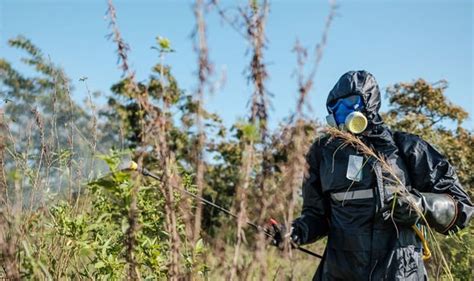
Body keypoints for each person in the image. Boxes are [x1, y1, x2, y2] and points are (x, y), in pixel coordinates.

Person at [272, 70, 473, 280]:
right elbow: (317, 217)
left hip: (399, 273)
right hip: (339, 273)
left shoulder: (408, 148)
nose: (343, 111)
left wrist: (422, 205)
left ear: (370, 103)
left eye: (350, 102)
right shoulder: (323, 154)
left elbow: (461, 207)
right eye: (335, 106)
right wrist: (295, 232)